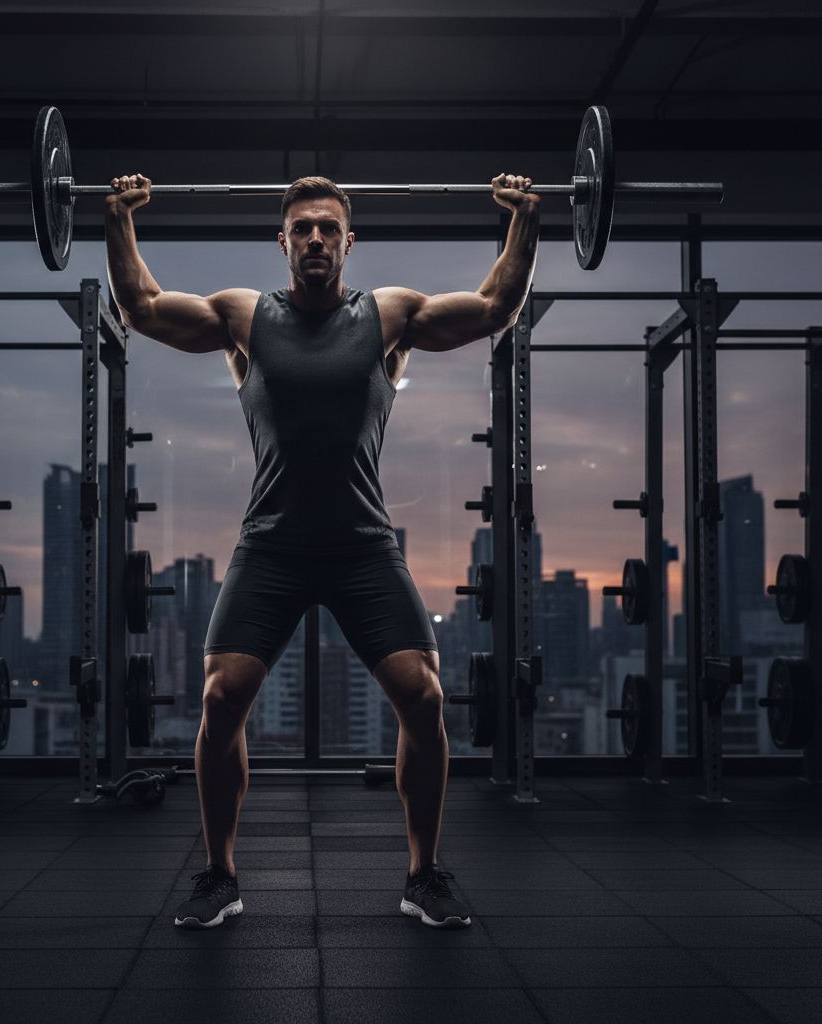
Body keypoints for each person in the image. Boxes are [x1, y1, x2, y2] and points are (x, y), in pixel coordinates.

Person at [105, 171, 539, 930]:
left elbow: (496, 307)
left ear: (348, 241)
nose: (313, 239)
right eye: (300, 228)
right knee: (220, 698)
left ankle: (424, 874)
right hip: (272, 545)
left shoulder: (389, 315)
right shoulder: (245, 317)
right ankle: (219, 875)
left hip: (362, 545)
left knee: (426, 697)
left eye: (326, 229)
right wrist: (118, 220)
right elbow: (140, 309)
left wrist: (524, 222)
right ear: (282, 241)